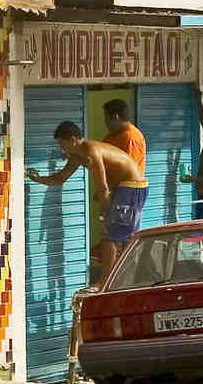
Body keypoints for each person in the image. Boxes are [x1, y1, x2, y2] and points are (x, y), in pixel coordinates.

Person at [28, 121, 147, 279]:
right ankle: (120, 280)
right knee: (118, 236)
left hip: (132, 187)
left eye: (62, 144)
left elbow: (103, 188)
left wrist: (104, 215)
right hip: (123, 188)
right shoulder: (76, 156)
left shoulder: (91, 151)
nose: (61, 149)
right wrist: (38, 179)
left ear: (73, 140)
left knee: (111, 236)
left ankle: (106, 282)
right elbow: (60, 178)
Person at [100, 99, 147, 180]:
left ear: (116, 117)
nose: (105, 122)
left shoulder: (131, 137)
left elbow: (128, 170)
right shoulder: (111, 136)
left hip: (128, 185)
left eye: (106, 118)